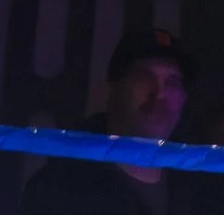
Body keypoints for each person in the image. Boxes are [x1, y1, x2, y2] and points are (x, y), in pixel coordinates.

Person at [20, 28, 193, 215]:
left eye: (173, 82)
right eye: (144, 77)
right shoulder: (58, 189)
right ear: (111, 90)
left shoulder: (199, 184)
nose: (160, 93)